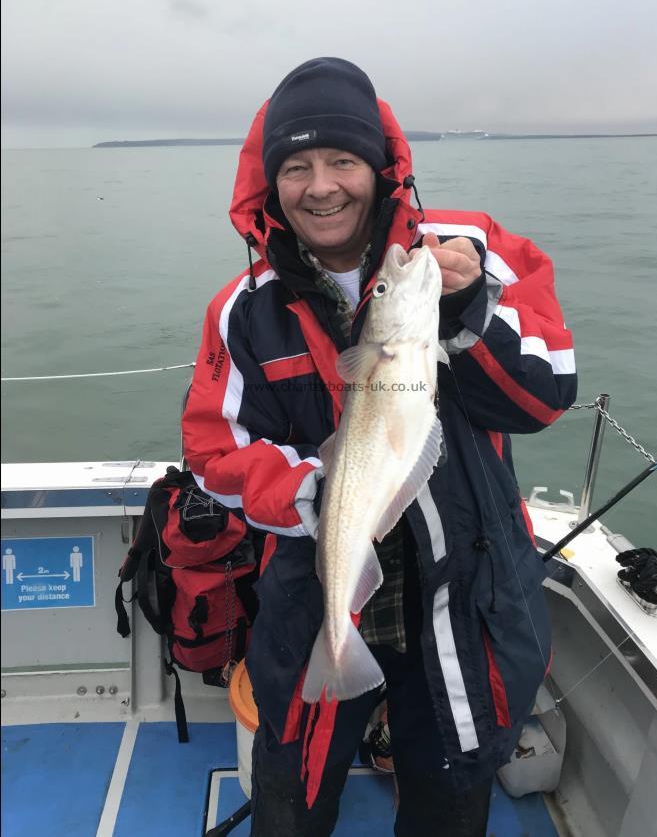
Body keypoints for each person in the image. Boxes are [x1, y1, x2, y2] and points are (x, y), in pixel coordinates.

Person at [182, 57, 577, 836]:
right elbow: (213, 453)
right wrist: (306, 490)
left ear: (380, 167)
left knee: (448, 805)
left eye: (341, 160)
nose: (320, 185)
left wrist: (468, 308)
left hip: (463, 602)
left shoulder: (464, 254)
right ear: (268, 185)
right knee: (289, 803)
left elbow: (545, 396)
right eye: (295, 167)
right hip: (317, 591)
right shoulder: (242, 310)